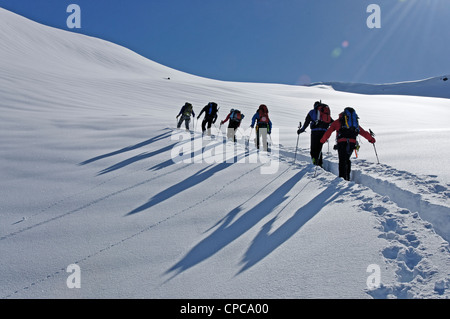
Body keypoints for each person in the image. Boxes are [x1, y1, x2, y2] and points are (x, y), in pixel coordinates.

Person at [320, 107, 376, 181]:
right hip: (352, 142)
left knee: (342, 160)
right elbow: (363, 132)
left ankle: (342, 178)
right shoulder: (354, 124)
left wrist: (322, 140)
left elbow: (329, 132)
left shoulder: (337, 122)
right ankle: (347, 178)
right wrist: (371, 139)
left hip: (341, 142)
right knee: (347, 159)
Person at [297, 101, 333, 167]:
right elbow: (331, 122)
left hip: (315, 132)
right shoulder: (325, 113)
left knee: (313, 149)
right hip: (323, 133)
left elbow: (307, 122)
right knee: (319, 149)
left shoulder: (312, 112)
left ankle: (315, 163)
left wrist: (302, 130)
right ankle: (320, 163)